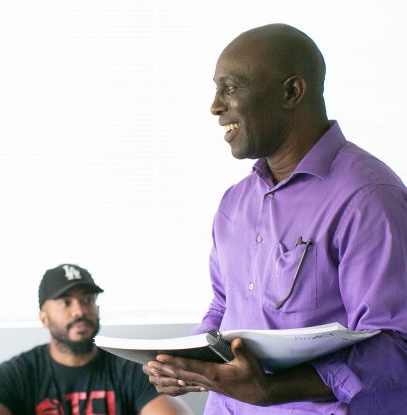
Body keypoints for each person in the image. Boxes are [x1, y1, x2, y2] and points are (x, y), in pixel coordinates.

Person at [143, 23, 407, 414]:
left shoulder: (367, 197)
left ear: (291, 92)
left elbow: (396, 346)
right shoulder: (235, 204)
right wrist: (187, 365)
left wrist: (271, 390)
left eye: (230, 87)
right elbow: (223, 308)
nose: (215, 106)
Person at [0, 264, 191, 415]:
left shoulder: (129, 369)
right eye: (65, 302)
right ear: (43, 317)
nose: (79, 311)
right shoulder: (16, 374)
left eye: (87, 300)